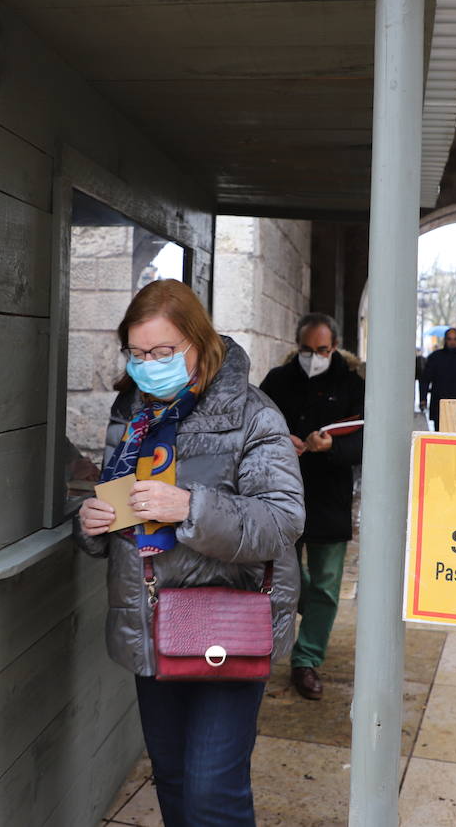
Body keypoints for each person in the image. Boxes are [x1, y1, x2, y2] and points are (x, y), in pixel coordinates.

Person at [74, 279, 304, 825]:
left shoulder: (254, 414)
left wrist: (189, 507)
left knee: (212, 795)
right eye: (137, 353)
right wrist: (94, 523)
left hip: (227, 621)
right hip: (149, 623)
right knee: (174, 782)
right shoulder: (131, 412)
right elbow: (121, 507)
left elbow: (283, 522)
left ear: (198, 343)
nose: (149, 365)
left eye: (163, 352)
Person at [260, 313, 364, 701]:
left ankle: (307, 659)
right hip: (281, 495)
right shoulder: (277, 380)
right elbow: (254, 423)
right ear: (297, 345)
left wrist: (332, 446)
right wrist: (278, 438)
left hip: (329, 499)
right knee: (281, 575)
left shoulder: (352, 385)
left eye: (322, 350)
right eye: (307, 349)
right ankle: (271, 643)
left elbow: (366, 439)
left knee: (325, 583)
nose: (314, 356)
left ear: (334, 347)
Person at [419, 327, 456, 429]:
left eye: (454, 339)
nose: (452, 342)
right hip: (440, 404)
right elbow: (425, 379)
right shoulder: (435, 357)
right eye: (450, 339)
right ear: (445, 340)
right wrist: (423, 399)